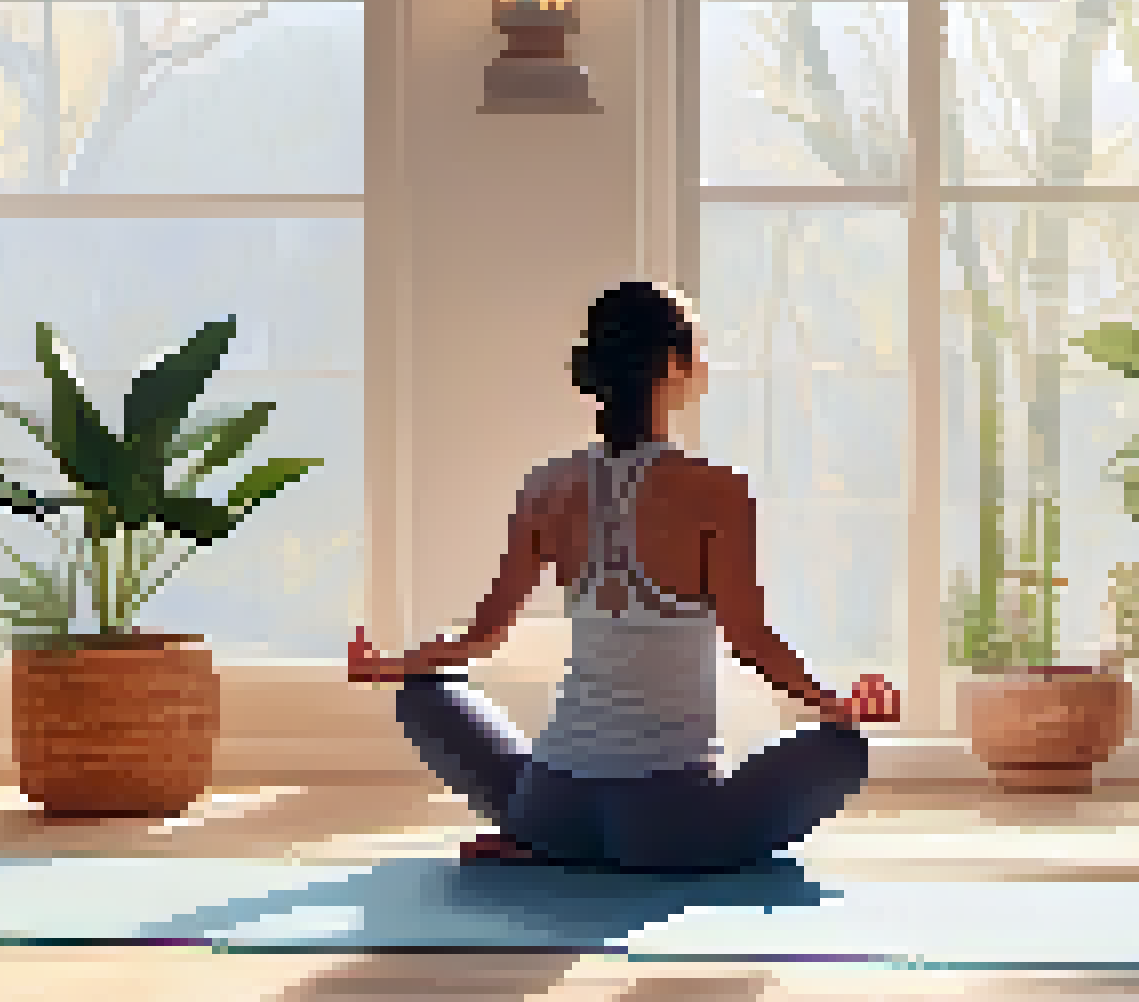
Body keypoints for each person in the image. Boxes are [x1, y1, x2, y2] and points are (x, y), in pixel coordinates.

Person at [346, 280, 903, 873]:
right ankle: (622, 845)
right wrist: (835, 704)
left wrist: (388, 666)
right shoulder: (716, 488)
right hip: (672, 827)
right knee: (841, 750)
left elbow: (483, 638)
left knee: (425, 692)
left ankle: (531, 840)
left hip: (551, 809)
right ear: (671, 365)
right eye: (700, 346)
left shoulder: (546, 486)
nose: (706, 361)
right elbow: (750, 640)